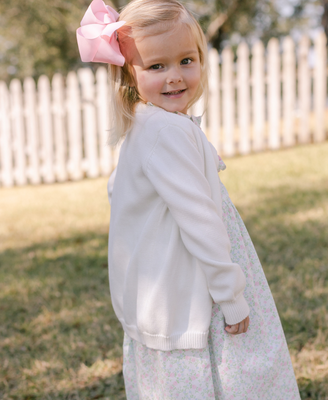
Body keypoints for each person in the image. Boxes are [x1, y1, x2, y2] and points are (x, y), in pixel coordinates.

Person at [76, 0, 301, 398]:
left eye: (186, 60)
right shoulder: (167, 131)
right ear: (131, 73)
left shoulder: (144, 126)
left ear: (201, 58)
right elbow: (200, 221)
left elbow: (119, 189)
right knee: (236, 373)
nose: (175, 77)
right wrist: (232, 297)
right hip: (198, 287)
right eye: (156, 66)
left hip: (158, 298)